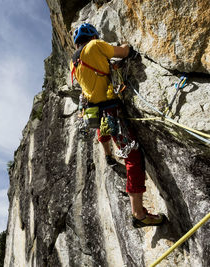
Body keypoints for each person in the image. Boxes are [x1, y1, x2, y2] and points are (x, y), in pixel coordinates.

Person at [71, 23, 165, 228]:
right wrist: (125, 46)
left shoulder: (74, 62)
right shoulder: (95, 46)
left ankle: (107, 155)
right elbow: (124, 51)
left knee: (102, 129)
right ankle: (139, 214)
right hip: (110, 108)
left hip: (93, 109)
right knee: (132, 155)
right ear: (93, 36)